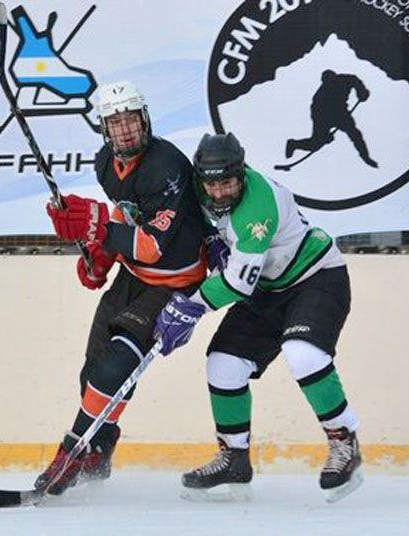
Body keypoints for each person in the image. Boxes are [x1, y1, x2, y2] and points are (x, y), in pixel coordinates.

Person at [154, 132, 363, 503]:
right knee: (223, 364)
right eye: (212, 184)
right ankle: (233, 457)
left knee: (304, 355)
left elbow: (236, 284)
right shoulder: (200, 190)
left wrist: (189, 307)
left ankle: (343, 440)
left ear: (242, 173)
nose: (219, 193)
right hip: (269, 288)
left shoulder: (257, 207)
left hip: (316, 278)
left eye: (228, 183)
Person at [39, 80, 207, 495]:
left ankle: (71, 451)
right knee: (93, 370)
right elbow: (126, 216)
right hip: (132, 277)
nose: (125, 130)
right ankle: (100, 445)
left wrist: (97, 224)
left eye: (131, 120)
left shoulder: (168, 167)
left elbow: (151, 246)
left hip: (175, 283)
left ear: (145, 119)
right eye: (115, 123)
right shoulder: (104, 164)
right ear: (104, 129)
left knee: (117, 362)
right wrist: (100, 256)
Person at [285, 69, 378, 168]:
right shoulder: (321, 92)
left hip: (339, 113)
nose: (328, 82)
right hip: (326, 116)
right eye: (325, 80)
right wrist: (324, 135)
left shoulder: (344, 79)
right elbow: (315, 111)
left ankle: (365, 156)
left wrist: (362, 92)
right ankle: (294, 144)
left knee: (355, 135)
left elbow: (356, 81)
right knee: (316, 144)